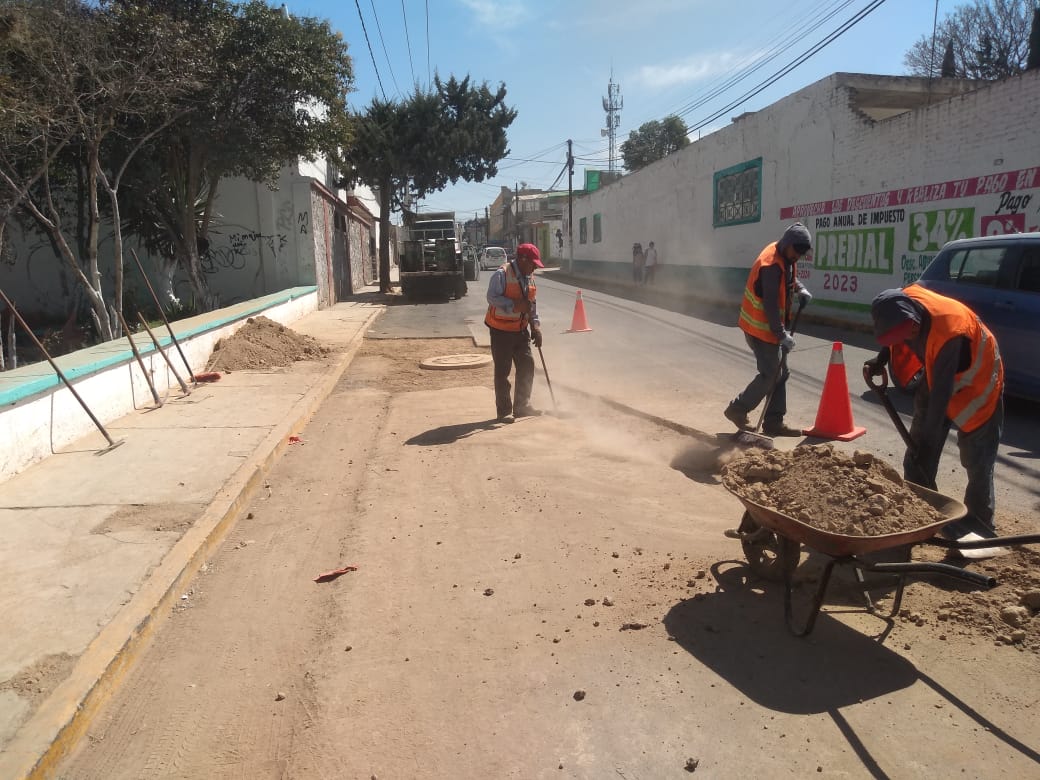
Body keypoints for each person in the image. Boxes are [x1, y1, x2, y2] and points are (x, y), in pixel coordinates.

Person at [865, 285, 1004, 538]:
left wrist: (927, 439)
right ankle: (922, 513)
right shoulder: (902, 301)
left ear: (914, 319)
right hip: (937, 372)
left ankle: (979, 524)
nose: (910, 336)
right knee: (917, 457)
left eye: (910, 332)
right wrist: (881, 358)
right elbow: (896, 332)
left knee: (977, 460)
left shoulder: (950, 332)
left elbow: (941, 397)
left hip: (978, 383)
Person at [724, 223, 813, 437]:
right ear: (788, 244)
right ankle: (737, 409)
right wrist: (782, 334)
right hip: (760, 329)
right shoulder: (771, 265)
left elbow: (789, 277)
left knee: (781, 373)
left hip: (768, 329)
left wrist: (800, 288)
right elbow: (771, 305)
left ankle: (773, 421)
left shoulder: (784, 254)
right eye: (797, 253)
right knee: (771, 374)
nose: (798, 258)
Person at [485, 242, 545, 424]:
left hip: (520, 330)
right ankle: (504, 411)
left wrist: (535, 326)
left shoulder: (529, 276)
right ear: (522, 259)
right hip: (501, 331)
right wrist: (513, 305)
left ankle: (522, 406)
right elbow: (492, 297)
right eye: (532, 263)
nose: (534, 267)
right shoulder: (502, 274)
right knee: (503, 372)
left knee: (527, 365)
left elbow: (531, 303)